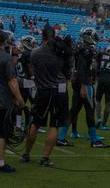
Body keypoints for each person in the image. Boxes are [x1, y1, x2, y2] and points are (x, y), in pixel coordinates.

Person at [23, 25, 68, 167]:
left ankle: (26, 154)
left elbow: (32, 70)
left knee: (35, 123)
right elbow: (67, 72)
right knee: (54, 125)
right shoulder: (59, 53)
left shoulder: (35, 53)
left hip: (42, 90)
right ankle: (45, 157)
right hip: (57, 90)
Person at [65, 27, 106, 147]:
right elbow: (82, 69)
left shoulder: (81, 48)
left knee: (74, 110)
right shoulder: (86, 51)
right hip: (84, 82)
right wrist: (83, 85)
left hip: (78, 80)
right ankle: (94, 139)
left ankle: (61, 136)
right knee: (89, 109)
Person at [0, 31, 27, 174]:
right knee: (2, 133)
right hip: (3, 99)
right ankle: (0, 162)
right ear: (4, 42)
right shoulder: (5, 58)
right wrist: (19, 98)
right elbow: (12, 80)